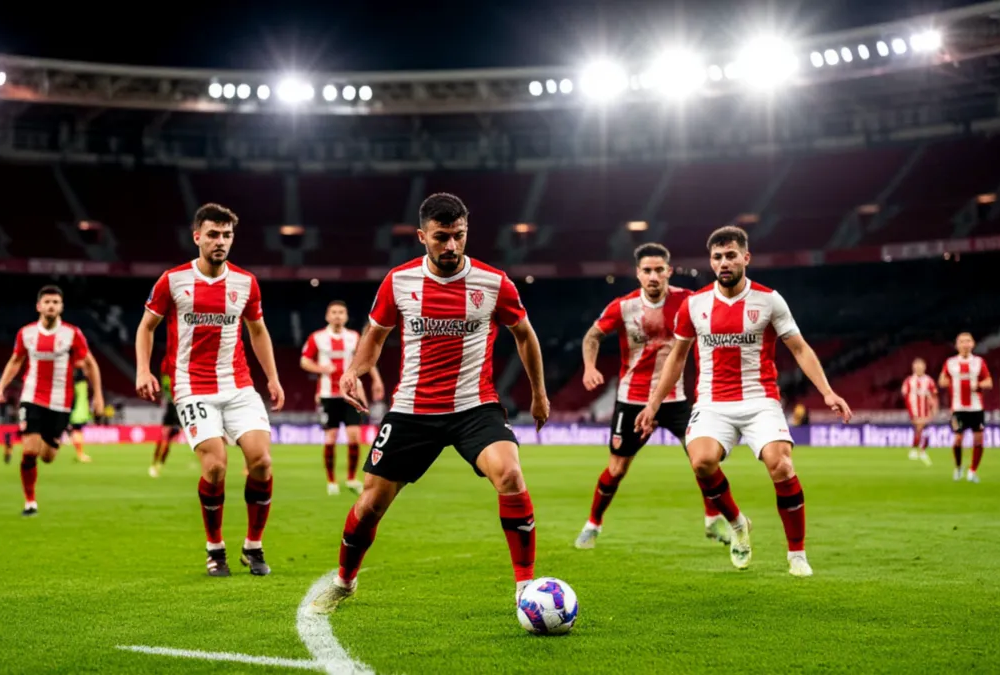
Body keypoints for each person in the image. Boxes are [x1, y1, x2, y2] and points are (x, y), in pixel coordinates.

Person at [308, 193, 550, 615]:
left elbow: (525, 335)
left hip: (475, 406)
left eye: (458, 236)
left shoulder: (494, 283)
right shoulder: (398, 282)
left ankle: (525, 588)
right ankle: (344, 583)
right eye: (441, 238)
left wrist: (540, 394)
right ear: (423, 236)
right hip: (412, 411)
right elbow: (375, 335)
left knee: (510, 474)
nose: (451, 246)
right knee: (370, 504)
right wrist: (354, 370)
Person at [634, 226, 852, 578]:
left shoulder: (769, 300)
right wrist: (653, 404)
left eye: (731, 255)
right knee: (701, 461)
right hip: (712, 402)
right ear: (711, 261)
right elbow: (676, 359)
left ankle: (797, 554)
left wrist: (827, 391)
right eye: (718, 256)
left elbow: (799, 348)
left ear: (745, 258)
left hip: (759, 399)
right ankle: (737, 524)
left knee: (780, 465)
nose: (724, 262)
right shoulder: (695, 304)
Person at [135, 202, 285, 577]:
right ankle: (214, 548)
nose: (221, 241)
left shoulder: (245, 282)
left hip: (238, 385)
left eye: (227, 235)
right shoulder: (172, 280)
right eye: (214, 234)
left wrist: (273, 377)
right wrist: (143, 370)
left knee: (262, 462)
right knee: (216, 466)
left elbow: (258, 331)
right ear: (197, 236)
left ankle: (253, 545)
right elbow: (146, 328)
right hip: (192, 386)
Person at [574, 243, 731, 550]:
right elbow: (592, 335)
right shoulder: (623, 306)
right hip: (632, 400)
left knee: (703, 461)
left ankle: (713, 521)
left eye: (660, 270)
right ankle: (593, 524)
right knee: (617, 469)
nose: (654, 276)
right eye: (647, 270)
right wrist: (589, 367)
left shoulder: (688, 300)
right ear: (638, 274)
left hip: (675, 400)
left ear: (669, 271)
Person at [0, 285, 105, 517]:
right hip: (31, 396)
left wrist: (99, 397)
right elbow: (15, 360)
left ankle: (49, 440)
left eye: (55, 302)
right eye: (47, 302)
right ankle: (30, 502)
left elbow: (91, 364)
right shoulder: (26, 334)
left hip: (61, 403)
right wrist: (1, 386)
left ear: (61, 307)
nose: (51, 306)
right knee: (30, 451)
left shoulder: (72, 334)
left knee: (48, 457)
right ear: (39, 306)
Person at [300, 301, 385, 495]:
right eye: (334, 312)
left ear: (346, 316)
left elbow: (367, 360)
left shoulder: (354, 337)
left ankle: (352, 478)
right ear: (327, 316)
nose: (337, 315)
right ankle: (331, 481)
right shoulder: (317, 338)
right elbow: (304, 361)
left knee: (354, 436)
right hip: (328, 394)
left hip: (351, 394)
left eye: (341, 312)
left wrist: (377, 381)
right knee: (330, 438)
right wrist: (321, 369)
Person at [939, 333, 993, 483]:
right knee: (957, 439)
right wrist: (944, 382)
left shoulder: (978, 362)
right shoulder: (950, 363)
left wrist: (979, 385)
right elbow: (942, 379)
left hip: (976, 409)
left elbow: (989, 382)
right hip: (958, 409)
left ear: (973, 344)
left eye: (968, 341)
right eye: (961, 341)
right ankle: (958, 467)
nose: (965, 344)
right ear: (957, 345)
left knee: (978, 441)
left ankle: (972, 471)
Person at [901, 358, 938, 466]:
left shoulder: (929, 381)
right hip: (914, 410)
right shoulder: (909, 381)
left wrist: (934, 408)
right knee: (920, 427)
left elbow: (934, 396)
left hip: (926, 410)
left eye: (920, 366)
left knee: (924, 430)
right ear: (913, 368)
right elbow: (904, 395)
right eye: (916, 366)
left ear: (924, 367)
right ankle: (914, 449)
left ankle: (921, 450)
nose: (918, 368)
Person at [149, 373, 181, 478]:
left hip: (173, 407)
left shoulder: (167, 378)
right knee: (167, 439)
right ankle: (158, 464)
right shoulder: (177, 377)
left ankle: (155, 463)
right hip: (178, 407)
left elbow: (163, 391)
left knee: (164, 437)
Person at [64, 369, 94, 463]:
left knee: (76, 431)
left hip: (78, 411)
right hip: (78, 412)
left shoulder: (78, 384)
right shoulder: (80, 385)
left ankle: (80, 453)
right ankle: (80, 454)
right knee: (77, 431)